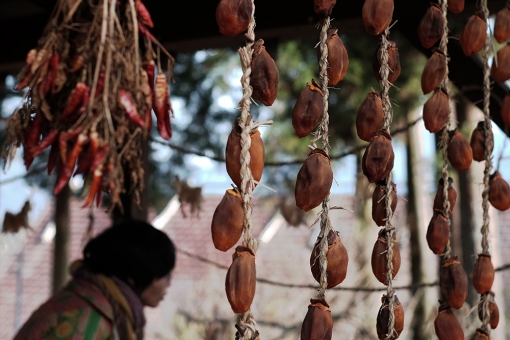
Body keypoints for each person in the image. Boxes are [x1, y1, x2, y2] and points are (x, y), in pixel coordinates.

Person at [14, 219, 176, 340]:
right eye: (165, 275)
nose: (168, 284)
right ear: (135, 275)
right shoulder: (90, 318)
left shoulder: (90, 303)